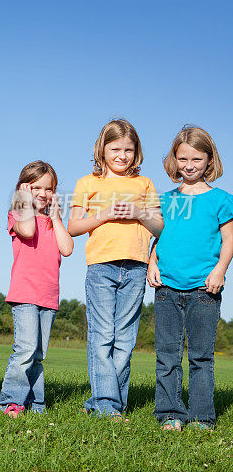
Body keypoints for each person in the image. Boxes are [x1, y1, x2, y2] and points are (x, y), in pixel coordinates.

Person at [68, 119, 163, 419]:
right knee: (102, 335)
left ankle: (107, 403)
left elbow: (160, 226)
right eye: (115, 149)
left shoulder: (144, 184)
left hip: (136, 267)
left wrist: (139, 213)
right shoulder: (87, 183)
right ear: (103, 149)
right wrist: (107, 213)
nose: (122, 156)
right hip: (101, 267)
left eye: (129, 150)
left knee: (125, 339)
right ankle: (108, 405)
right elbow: (73, 226)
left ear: (137, 152)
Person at [148, 126, 233, 431]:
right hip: (167, 288)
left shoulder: (222, 200)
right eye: (182, 158)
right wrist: (151, 261)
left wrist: (220, 270)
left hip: (203, 289)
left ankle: (202, 417)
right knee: (167, 356)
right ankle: (170, 414)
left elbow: (229, 240)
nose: (189, 164)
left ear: (209, 159)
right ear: (174, 159)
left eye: (197, 158)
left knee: (201, 357)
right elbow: (159, 236)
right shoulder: (165, 199)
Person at [0, 161, 73, 417]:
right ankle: (11, 401)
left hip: (48, 297)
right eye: (36, 187)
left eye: (48, 188)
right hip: (25, 293)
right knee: (25, 349)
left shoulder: (52, 221)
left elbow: (67, 248)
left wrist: (56, 217)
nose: (43, 193)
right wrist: (23, 199)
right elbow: (27, 231)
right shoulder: (18, 214)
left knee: (38, 354)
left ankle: (35, 402)